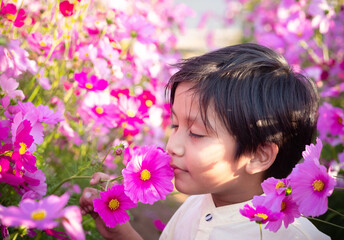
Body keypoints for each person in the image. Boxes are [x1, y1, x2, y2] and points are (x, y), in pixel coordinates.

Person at [79, 43, 330, 239]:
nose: (171, 146)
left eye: (196, 133)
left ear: (258, 155)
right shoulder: (196, 206)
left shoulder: (292, 236)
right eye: (175, 124)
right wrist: (119, 234)